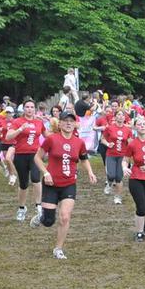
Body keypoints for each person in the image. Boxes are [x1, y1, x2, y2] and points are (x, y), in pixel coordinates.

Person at [30, 111, 97, 259]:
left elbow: (84, 159)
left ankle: (58, 248)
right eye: (65, 121)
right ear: (59, 124)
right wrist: (45, 173)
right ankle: (41, 216)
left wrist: (90, 172)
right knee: (49, 221)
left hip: (69, 184)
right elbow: (37, 158)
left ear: (75, 124)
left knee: (65, 217)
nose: (68, 123)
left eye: (71, 121)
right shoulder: (51, 139)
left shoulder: (79, 142)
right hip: (51, 183)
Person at [5, 100, 46, 222]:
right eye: (27, 107)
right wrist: (20, 129)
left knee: (36, 178)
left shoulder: (39, 122)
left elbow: (47, 135)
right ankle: (22, 208)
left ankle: (39, 206)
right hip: (20, 155)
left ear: (35, 109)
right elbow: (8, 137)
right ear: (23, 109)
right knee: (23, 184)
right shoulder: (17, 121)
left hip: (35, 155)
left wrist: (58, 129)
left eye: (32, 107)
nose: (29, 109)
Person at [101, 109, 132, 205]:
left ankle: (118, 197)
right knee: (111, 175)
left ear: (125, 117)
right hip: (111, 155)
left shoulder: (128, 130)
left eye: (122, 115)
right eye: (118, 114)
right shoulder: (109, 128)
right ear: (115, 117)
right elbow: (102, 139)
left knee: (119, 178)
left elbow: (130, 143)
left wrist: (131, 151)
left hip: (122, 157)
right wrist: (107, 144)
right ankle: (109, 184)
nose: (121, 116)